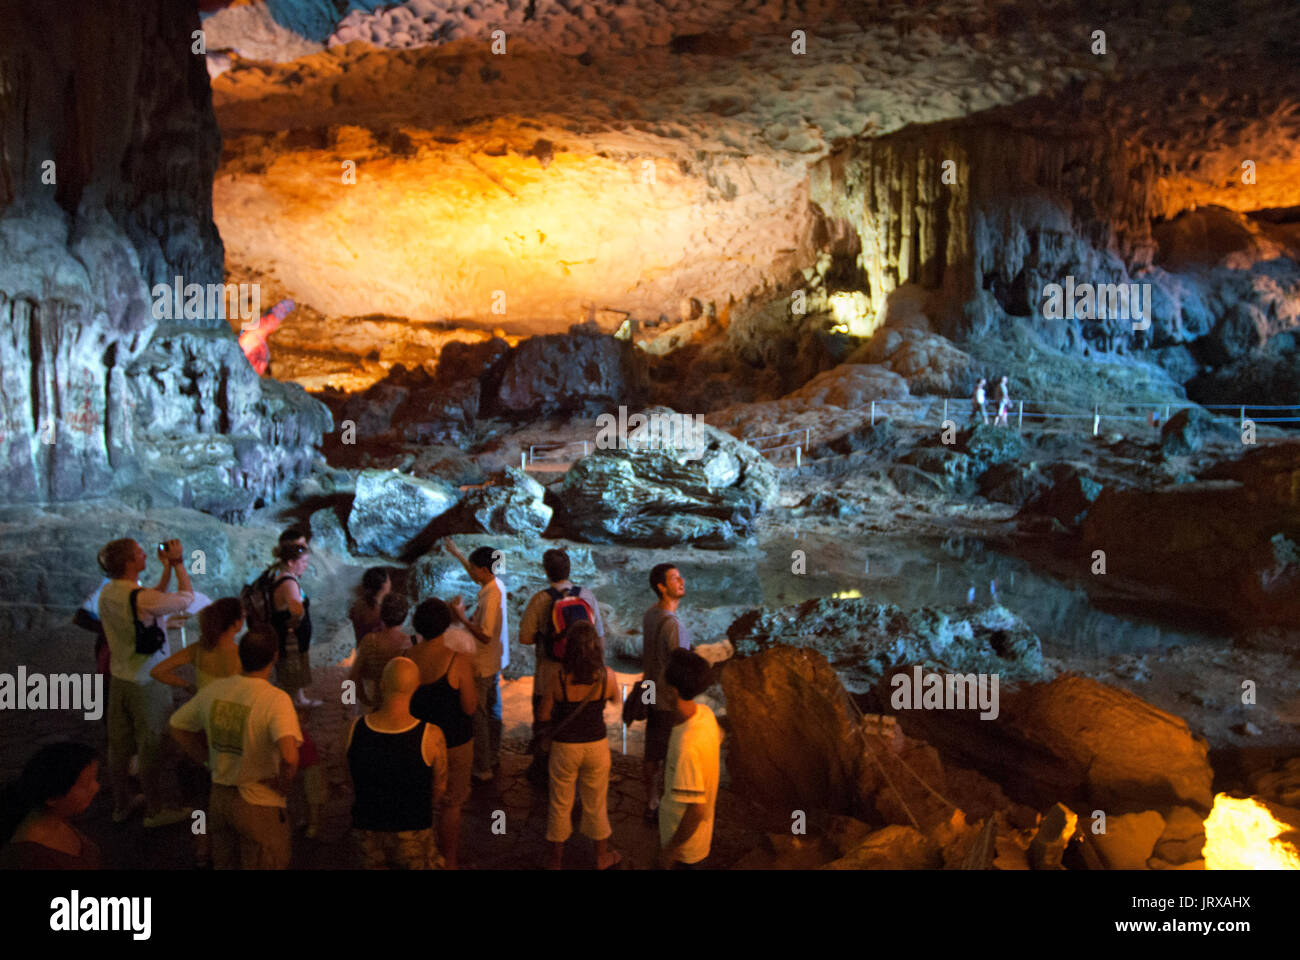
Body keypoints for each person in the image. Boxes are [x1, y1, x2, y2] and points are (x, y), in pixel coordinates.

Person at [168, 631, 302, 870]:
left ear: (241, 656)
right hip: (259, 800)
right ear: (275, 657)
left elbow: (177, 727)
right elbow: (290, 757)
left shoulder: (215, 690)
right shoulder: (275, 700)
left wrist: (207, 761)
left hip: (219, 797)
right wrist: (284, 784)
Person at [96, 538, 193, 828]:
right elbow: (186, 598)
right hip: (147, 681)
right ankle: (154, 810)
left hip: (120, 679)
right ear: (128, 562)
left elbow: (148, 600)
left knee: (119, 747)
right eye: (139, 552)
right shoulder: (140, 598)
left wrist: (164, 572)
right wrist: (177, 564)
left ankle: (121, 804)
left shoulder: (109, 593)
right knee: (151, 746)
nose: (145, 554)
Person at [347, 657, 447, 869]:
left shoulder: (354, 729)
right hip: (413, 829)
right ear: (417, 687)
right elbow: (439, 787)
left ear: (382, 684)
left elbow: (349, 777)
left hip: (367, 829)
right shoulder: (430, 736)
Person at [538, 621, 620, 870]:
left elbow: (543, 715)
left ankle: (556, 861)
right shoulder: (607, 675)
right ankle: (601, 857)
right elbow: (616, 700)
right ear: (596, 646)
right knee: (596, 802)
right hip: (596, 745)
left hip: (565, 748)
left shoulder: (559, 677)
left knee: (560, 803)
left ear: (569, 647)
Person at [408, 599, 478, 870]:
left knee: (421, 799)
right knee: (450, 804)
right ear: (446, 624)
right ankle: (449, 860)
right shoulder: (456, 660)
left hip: (418, 741)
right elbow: (470, 706)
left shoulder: (407, 656)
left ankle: (420, 855)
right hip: (454, 742)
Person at [518, 549, 605, 750]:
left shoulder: (540, 599)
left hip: (549, 673)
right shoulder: (587, 595)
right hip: (582, 671)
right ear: (569, 570)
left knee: (545, 721)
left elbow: (524, 638)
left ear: (546, 571)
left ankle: (543, 767)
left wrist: (546, 636)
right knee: (580, 722)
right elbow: (598, 633)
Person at [443, 537, 508, 782]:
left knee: (478, 716)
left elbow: (484, 635)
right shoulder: (495, 585)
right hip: (494, 661)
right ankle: (493, 755)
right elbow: (474, 575)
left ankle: (483, 767)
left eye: (473, 568)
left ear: (483, 570)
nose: (472, 572)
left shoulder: (491, 597)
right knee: (493, 711)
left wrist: (461, 617)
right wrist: (458, 554)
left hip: (483, 665)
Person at [658, 649, 723, 870]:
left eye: (662, 676)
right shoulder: (704, 714)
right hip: (698, 840)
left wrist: (672, 849)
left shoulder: (687, 743)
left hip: (686, 851)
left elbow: (696, 810)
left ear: (672, 691)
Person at [641, 563, 692, 823]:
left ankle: (651, 801)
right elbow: (679, 669)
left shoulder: (651, 614)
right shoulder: (673, 626)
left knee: (652, 750)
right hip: (667, 700)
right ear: (662, 587)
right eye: (674, 578)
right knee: (672, 754)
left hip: (650, 692)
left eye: (679, 576)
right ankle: (667, 805)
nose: (681, 581)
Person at [0, 743, 102, 869]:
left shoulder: (55, 819)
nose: (96, 788)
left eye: (94, 779)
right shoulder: (32, 859)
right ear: (52, 797)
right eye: (85, 785)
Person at [150, 597, 243, 694]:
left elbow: (157, 671)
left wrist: (188, 685)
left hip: (202, 706)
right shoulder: (242, 654)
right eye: (243, 617)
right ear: (236, 623)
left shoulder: (197, 649)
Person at [268, 541, 319, 708]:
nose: (306, 565)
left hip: (289, 636)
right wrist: (297, 624)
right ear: (291, 562)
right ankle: (290, 706)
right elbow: (296, 610)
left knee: (294, 669)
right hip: (290, 638)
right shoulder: (288, 582)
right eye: (303, 562)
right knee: (291, 670)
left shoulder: (282, 576)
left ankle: (299, 698)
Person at [350, 593, 412, 708]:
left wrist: (361, 700)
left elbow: (352, 677)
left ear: (381, 615)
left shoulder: (369, 640)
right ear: (405, 617)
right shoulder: (412, 643)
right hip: (402, 704)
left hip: (375, 700)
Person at [346, 567, 391, 666]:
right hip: (376, 659)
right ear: (384, 585)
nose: (390, 583)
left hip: (361, 652)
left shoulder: (358, 604)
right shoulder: (382, 612)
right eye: (389, 580)